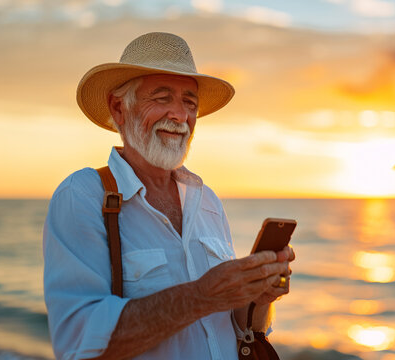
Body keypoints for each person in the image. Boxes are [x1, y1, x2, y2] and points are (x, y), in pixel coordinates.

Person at [43, 32, 295, 360]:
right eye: (162, 98)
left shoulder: (208, 203)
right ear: (118, 108)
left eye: (189, 102)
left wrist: (258, 296)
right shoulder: (82, 196)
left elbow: (238, 328)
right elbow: (79, 343)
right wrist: (202, 296)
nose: (179, 114)